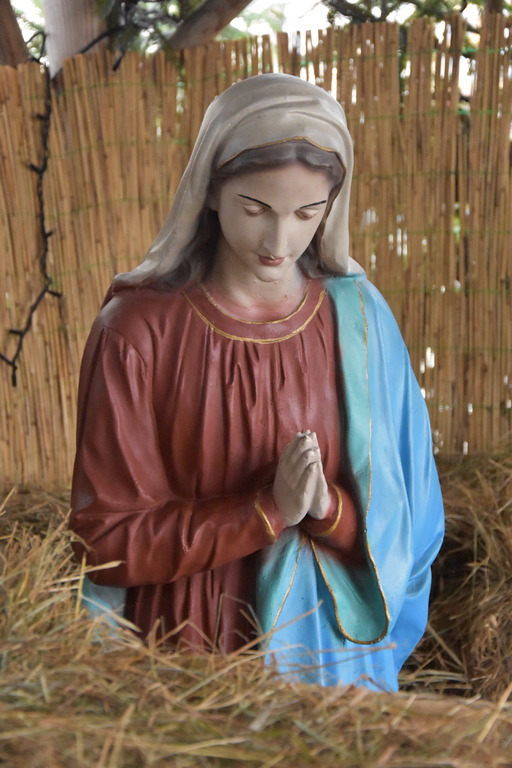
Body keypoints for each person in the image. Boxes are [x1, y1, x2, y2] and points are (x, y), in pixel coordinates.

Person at [70, 73, 444, 691]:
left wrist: (326, 510)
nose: (279, 241)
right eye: (255, 208)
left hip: (328, 655)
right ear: (210, 191)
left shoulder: (361, 324)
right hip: (193, 648)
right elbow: (106, 541)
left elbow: (411, 525)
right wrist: (264, 512)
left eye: (306, 213)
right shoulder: (137, 332)